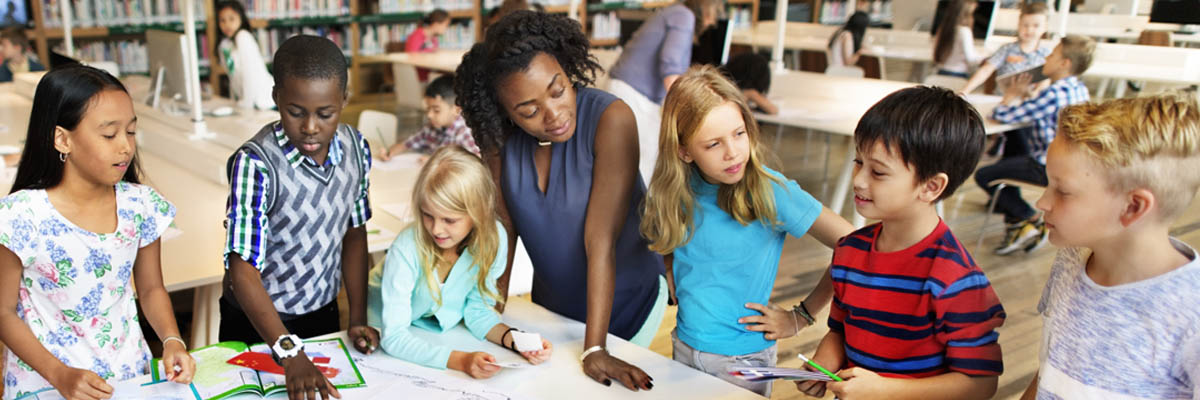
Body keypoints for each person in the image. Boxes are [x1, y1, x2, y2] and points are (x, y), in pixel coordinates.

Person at [456, 11, 664, 391]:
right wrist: (490, 319)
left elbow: (599, 240)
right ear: (504, 112)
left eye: (558, 90)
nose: (554, 115)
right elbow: (504, 233)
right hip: (553, 308)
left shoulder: (610, 119)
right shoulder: (499, 141)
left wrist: (595, 348)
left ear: (568, 70)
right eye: (529, 111)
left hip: (628, 301)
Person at [640, 65, 854, 396]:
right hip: (684, 345)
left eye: (739, 133)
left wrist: (803, 315)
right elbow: (676, 241)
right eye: (713, 144)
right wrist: (670, 266)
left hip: (743, 359)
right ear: (683, 151)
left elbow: (854, 246)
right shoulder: (678, 190)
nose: (733, 152)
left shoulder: (771, 191)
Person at [796, 86, 1005, 400]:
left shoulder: (956, 279)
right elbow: (840, 330)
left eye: (878, 172)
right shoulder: (849, 251)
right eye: (858, 162)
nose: (859, 180)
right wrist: (824, 364)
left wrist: (885, 391)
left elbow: (979, 384)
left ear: (931, 186)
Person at [0, 65, 195, 399]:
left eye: (131, 132)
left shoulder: (140, 205)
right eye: (109, 135)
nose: (125, 147)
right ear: (63, 138)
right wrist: (59, 374)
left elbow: (150, 290)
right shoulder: (20, 216)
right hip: (45, 382)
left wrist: (172, 340)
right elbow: (3, 312)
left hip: (126, 376)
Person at [220, 35, 375, 400]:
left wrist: (357, 317)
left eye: (325, 114)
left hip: (321, 315)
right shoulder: (256, 163)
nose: (309, 127)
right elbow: (242, 271)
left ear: (343, 102)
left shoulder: (356, 149)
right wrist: (289, 351)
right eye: (295, 111)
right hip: (257, 322)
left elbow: (354, 234)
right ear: (276, 98)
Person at [1020, 92, 1200, 400]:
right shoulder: (1070, 260)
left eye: (1062, 191)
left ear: (1132, 207)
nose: (1042, 202)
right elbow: (1052, 367)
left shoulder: (1190, 316)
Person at [368, 146, 552, 378]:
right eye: (427, 215)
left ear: (479, 213)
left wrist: (517, 342)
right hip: (380, 330)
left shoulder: (493, 240)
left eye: (449, 219)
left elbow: (478, 312)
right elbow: (393, 337)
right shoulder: (406, 248)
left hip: (431, 334)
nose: (436, 229)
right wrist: (461, 361)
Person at [975, 35, 1094, 256]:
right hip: (1073, 164)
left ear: (1064, 64)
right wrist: (1027, 96)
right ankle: (1016, 222)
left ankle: (1027, 217)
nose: (1046, 59)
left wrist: (1010, 95)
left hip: (1046, 167)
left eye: (1051, 55)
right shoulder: (1078, 89)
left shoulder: (1054, 93)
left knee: (984, 175)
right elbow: (1034, 109)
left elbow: (1001, 114)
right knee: (1018, 137)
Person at [607, 0, 723, 182]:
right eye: (716, 12)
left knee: (638, 162)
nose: (713, 22)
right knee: (643, 164)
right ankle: (641, 210)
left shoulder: (672, 12)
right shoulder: (683, 16)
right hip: (635, 95)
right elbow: (671, 66)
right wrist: (689, 109)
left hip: (628, 91)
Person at [378, 74, 478, 161]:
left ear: (456, 110)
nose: (429, 115)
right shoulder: (431, 128)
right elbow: (407, 143)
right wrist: (389, 153)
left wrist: (437, 163)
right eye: (428, 109)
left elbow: (476, 164)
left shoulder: (465, 133)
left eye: (436, 110)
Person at [960, 2, 1051, 94]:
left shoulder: (1047, 55)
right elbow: (986, 70)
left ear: (1045, 27)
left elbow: (1046, 81)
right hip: (1001, 99)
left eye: (1036, 26)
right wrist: (964, 91)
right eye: (1025, 25)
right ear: (1019, 24)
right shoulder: (1007, 49)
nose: (1029, 30)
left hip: (1028, 101)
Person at [215, 0, 274, 110]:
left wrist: (246, 104)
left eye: (231, 19)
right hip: (248, 102)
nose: (227, 24)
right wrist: (235, 102)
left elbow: (249, 74)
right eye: (222, 20)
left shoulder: (243, 37)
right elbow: (232, 77)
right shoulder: (224, 45)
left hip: (264, 101)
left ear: (240, 18)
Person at [932, 0, 982, 79]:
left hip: (941, 72)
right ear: (967, 14)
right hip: (957, 75)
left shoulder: (943, 29)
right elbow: (971, 59)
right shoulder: (964, 31)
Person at [405, 9, 451, 83]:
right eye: (446, 25)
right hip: (417, 77)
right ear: (436, 24)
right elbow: (412, 57)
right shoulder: (416, 36)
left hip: (430, 74)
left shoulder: (434, 39)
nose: (446, 28)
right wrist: (433, 52)